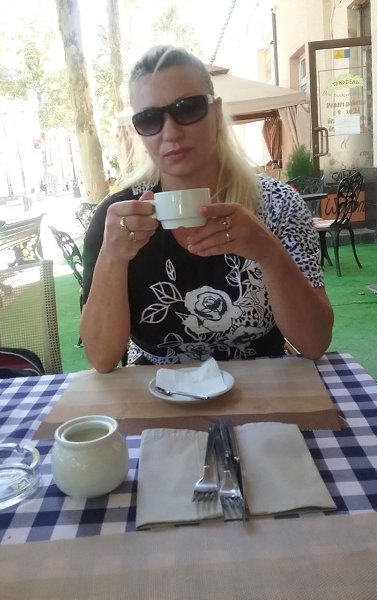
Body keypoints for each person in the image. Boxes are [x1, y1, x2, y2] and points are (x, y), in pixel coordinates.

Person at [80, 45, 333, 373]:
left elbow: (314, 342)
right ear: (139, 131)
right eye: (149, 118)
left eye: (187, 108)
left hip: (262, 387)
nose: (171, 132)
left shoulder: (279, 204)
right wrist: (112, 258)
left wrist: (269, 252)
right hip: (156, 391)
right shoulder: (119, 218)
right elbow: (101, 358)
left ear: (215, 113)